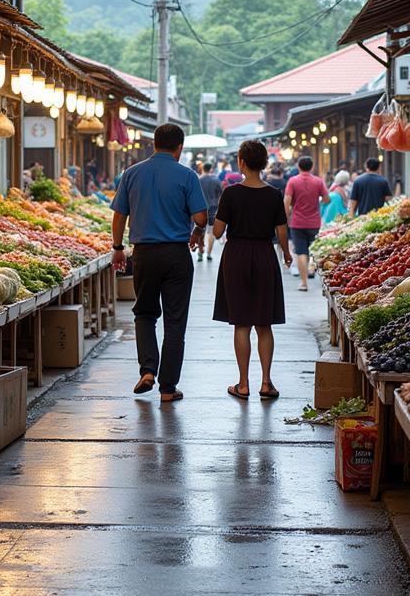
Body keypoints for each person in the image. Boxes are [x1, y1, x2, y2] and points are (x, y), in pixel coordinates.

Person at [111, 123, 208, 403]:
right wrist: (197, 231)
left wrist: (118, 248)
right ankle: (168, 388)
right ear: (180, 147)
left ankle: (147, 371)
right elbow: (201, 217)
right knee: (175, 322)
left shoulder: (131, 173)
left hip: (144, 253)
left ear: (154, 143)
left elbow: (119, 216)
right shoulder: (187, 176)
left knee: (144, 313)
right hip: (176, 255)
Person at [211, 139, 292, 401]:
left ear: (241, 162)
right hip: (264, 256)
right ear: (264, 163)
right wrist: (287, 253)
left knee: (242, 323)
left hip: (236, 256)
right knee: (264, 323)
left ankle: (243, 384)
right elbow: (281, 230)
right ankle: (266, 383)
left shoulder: (231, 193)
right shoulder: (273, 194)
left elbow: (218, 231)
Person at [284, 155, 329, 292]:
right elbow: (327, 199)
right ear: (312, 167)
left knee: (301, 252)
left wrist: (286, 217)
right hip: (314, 221)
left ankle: (304, 283)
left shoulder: (293, 181)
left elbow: (286, 201)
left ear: (298, 166)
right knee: (314, 251)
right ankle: (313, 272)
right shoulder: (318, 181)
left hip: (297, 222)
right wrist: (317, 202)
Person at [198, 162, 223, 262]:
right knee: (211, 232)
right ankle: (209, 253)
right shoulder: (216, 180)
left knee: (200, 230)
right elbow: (221, 194)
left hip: (200, 209)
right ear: (211, 169)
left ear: (203, 169)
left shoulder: (199, 180)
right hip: (213, 208)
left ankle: (200, 252)